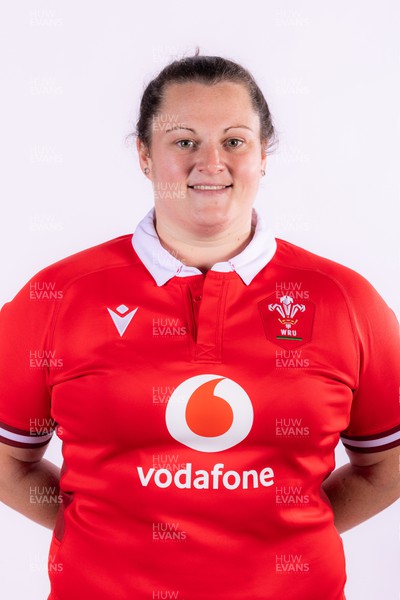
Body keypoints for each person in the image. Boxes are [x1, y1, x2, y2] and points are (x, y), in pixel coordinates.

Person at [0, 54, 399, 600]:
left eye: (235, 141)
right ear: (144, 155)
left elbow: (386, 464)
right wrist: (98, 536)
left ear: (264, 155)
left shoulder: (345, 301)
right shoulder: (58, 296)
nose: (211, 162)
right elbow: (7, 459)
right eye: (184, 141)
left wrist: (291, 536)